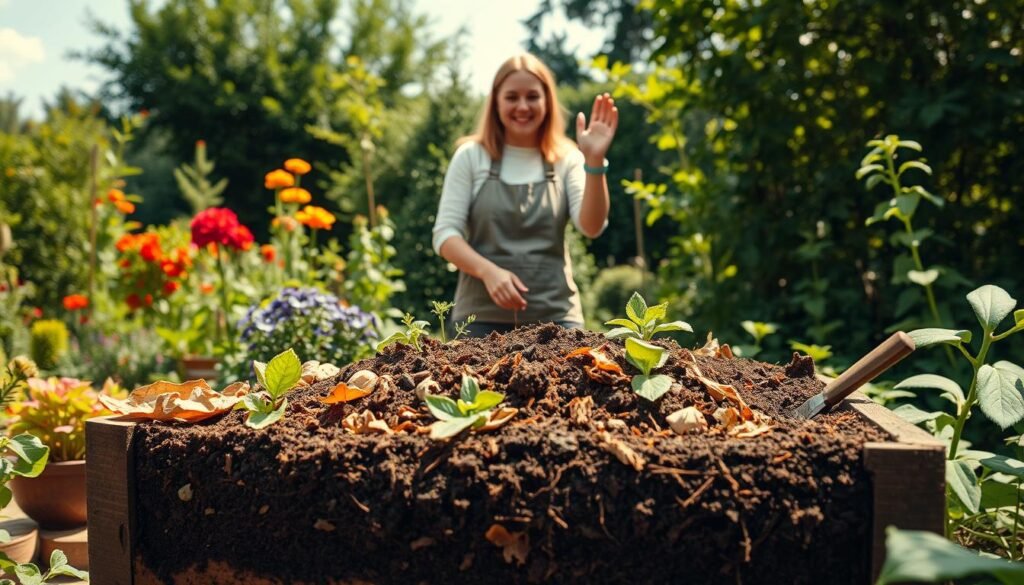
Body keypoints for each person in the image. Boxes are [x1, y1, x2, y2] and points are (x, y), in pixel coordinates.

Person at [432, 53, 619, 337]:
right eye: (512, 97)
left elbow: (592, 227)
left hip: (556, 321)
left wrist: (593, 160)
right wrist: (488, 272)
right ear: (496, 101)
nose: (522, 106)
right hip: (478, 320)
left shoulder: (566, 158)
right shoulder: (471, 156)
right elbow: (445, 235)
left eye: (532, 96)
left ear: (548, 101)